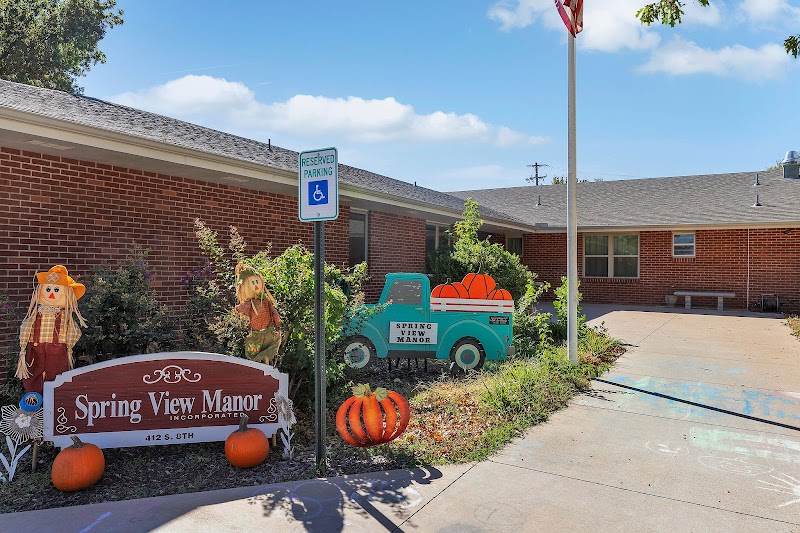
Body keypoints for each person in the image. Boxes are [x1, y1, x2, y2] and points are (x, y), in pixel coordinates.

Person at [16, 265, 88, 394]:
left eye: (56, 290)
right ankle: (35, 403)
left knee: (57, 376)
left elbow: (74, 331)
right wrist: (23, 347)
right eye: (48, 289)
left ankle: (55, 403)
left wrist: (69, 346)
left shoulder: (65, 317)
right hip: (35, 350)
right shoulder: (36, 314)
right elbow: (26, 327)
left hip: (58, 351)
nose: (52, 294)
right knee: (33, 377)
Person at [234, 263, 282, 365]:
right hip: (256, 334)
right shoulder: (250, 303)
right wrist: (237, 310)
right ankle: (258, 367)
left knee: (268, 349)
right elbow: (241, 309)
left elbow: (273, 311)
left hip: (268, 331)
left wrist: (277, 320)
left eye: (257, 281)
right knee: (254, 352)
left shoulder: (265, 301)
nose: (256, 285)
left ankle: (267, 366)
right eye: (252, 283)